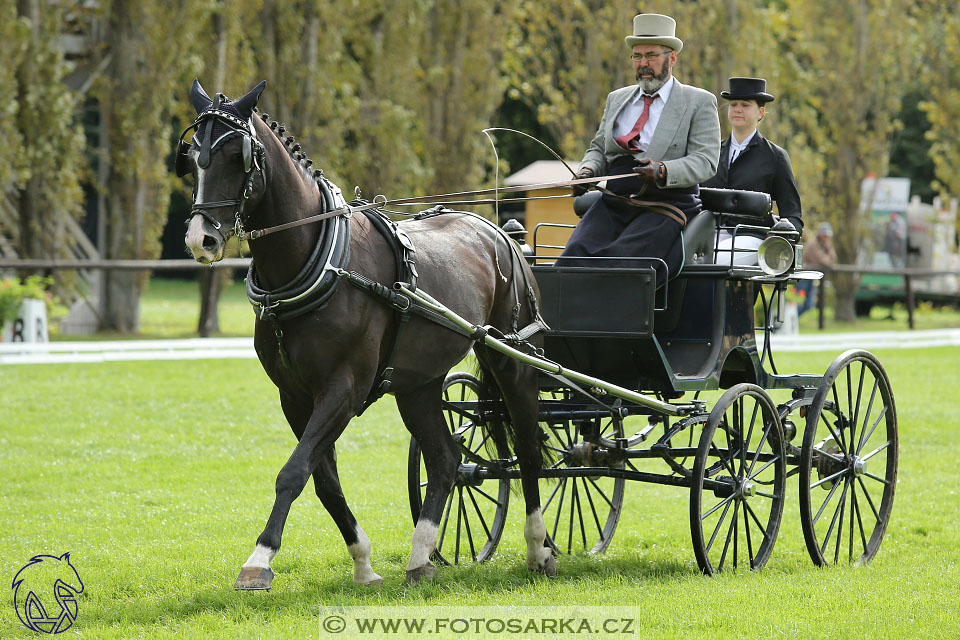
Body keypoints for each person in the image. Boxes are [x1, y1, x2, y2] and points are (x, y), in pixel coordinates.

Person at [559, 13, 720, 281]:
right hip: (616, 200)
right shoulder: (617, 98)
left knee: (623, 262)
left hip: (666, 202)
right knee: (573, 257)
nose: (643, 64)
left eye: (651, 55)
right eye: (637, 56)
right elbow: (599, 148)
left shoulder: (698, 102)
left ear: (672, 58)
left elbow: (706, 160)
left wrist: (663, 170)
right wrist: (587, 171)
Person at [702, 77, 803, 265]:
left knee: (718, 258)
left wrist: (776, 240)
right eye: (733, 104)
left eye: (745, 105)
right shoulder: (711, 151)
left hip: (751, 236)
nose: (737, 109)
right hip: (707, 232)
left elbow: (793, 215)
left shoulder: (776, 158)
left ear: (761, 112)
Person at [797, 222, 836, 315]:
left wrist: (828, 247)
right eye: (824, 235)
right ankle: (791, 322)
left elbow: (833, 259)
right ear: (820, 233)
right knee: (798, 303)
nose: (826, 237)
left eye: (828, 235)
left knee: (809, 305)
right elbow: (825, 261)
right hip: (803, 277)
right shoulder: (813, 244)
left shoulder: (826, 245)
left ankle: (794, 321)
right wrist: (829, 256)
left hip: (812, 278)